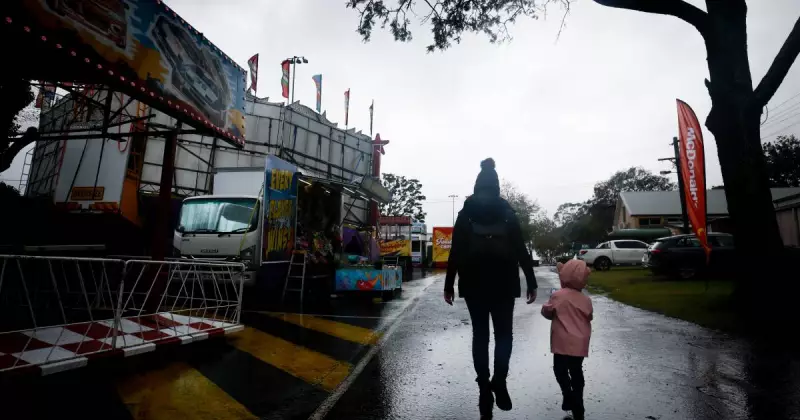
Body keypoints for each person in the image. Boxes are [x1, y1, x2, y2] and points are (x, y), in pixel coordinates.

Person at [443, 158, 538, 418]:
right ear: (496, 185)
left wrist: (449, 284)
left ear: (477, 185)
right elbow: (520, 249)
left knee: (480, 335)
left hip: (473, 282)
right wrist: (531, 280)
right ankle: (500, 381)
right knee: (504, 334)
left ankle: (484, 383)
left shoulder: (465, 213)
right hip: (504, 282)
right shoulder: (508, 212)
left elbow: (456, 252)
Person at [541, 259, 593, 420]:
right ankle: (577, 398)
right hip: (579, 342)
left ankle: (567, 393)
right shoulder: (586, 300)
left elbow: (547, 312)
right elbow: (589, 316)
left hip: (561, 342)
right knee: (576, 371)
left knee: (560, 370)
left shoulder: (557, 296)